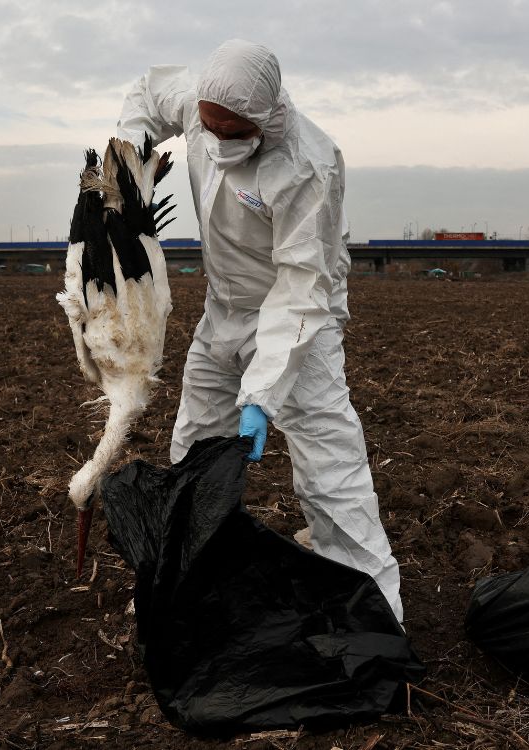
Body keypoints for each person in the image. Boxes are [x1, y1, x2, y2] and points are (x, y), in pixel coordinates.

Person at [116, 39, 402, 622]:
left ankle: (374, 613)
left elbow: (301, 287)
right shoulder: (204, 106)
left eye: (232, 130)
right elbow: (146, 93)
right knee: (194, 446)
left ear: (266, 116)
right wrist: (125, 169)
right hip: (222, 310)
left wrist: (262, 393)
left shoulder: (307, 165)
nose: (218, 139)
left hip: (299, 318)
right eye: (208, 127)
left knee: (329, 465)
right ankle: (191, 582)